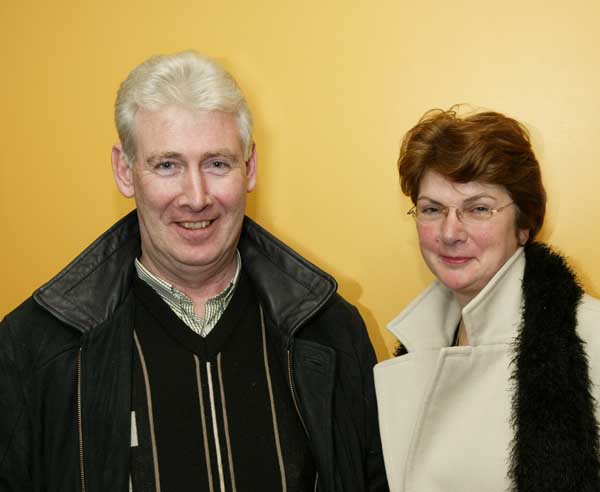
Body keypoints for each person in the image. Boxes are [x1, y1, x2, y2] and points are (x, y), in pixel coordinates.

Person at [0, 50, 388, 492]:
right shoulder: (36, 347)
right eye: (168, 165)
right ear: (125, 172)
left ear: (250, 168)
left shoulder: (331, 332)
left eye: (217, 163)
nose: (196, 196)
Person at [374, 107, 600, 492]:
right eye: (432, 209)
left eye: (478, 208)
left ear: (525, 223)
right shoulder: (417, 341)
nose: (449, 232)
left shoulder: (591, 337)